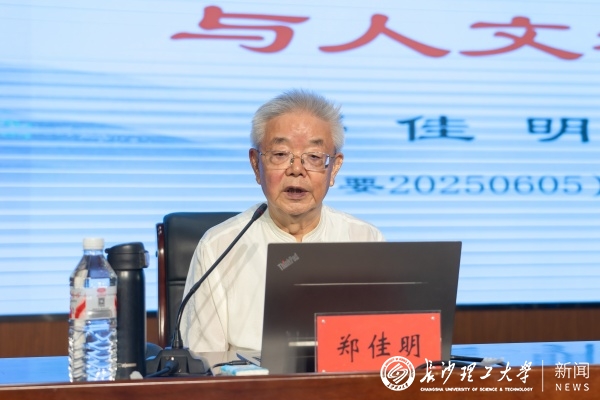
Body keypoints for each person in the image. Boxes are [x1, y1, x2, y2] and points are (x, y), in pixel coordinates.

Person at [181, 89, 385, 352]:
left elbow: (380, 346)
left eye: (314, 157)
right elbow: (203, 361)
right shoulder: (219, 247)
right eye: (280, 154)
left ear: (334, 168)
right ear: (256, 165)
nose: (296, 169)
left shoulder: (365, 240)